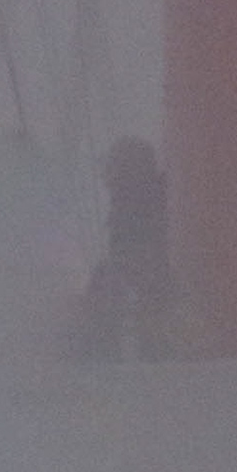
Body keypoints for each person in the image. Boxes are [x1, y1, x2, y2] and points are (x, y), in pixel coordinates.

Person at [68, 135, 175, 358]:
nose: (107, 177)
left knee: (106, 285)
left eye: (114, 167)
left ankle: (96, 354)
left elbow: (135, 253)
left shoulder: (134, 205)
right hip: (155, 279)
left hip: (158, 280)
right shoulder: (149, 197)